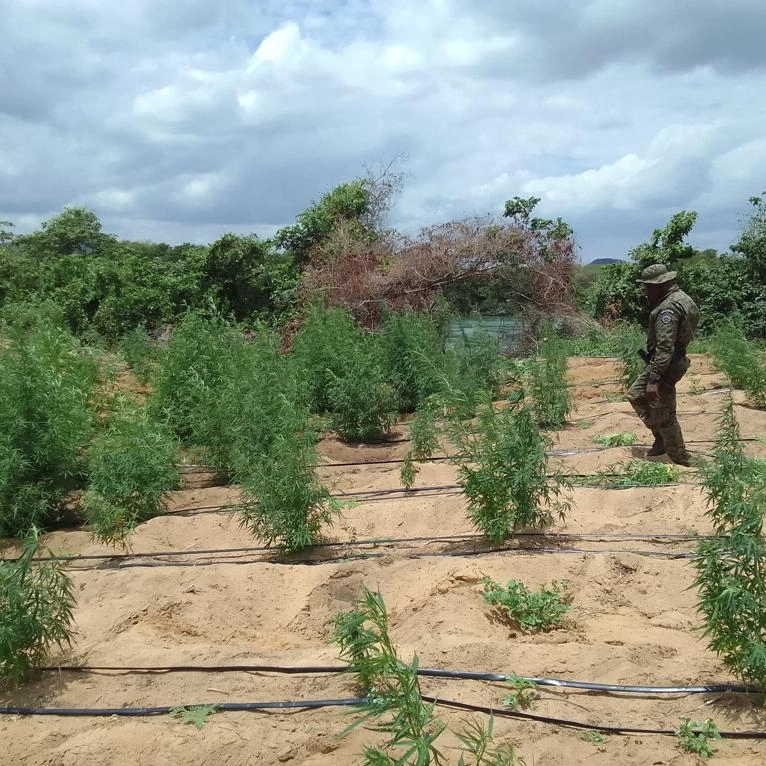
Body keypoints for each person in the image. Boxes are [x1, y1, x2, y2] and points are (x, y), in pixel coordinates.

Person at [627, 264, 700, 466]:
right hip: (672, 361)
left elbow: (665, 346)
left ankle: (682, 459)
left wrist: (654, 378)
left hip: (666, 364)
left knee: (664, 411)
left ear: (660, 284)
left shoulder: (668, 308)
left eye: (648, 286)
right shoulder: (682, 298)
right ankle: (660, 438)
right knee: (636, 395)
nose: (645, 291)